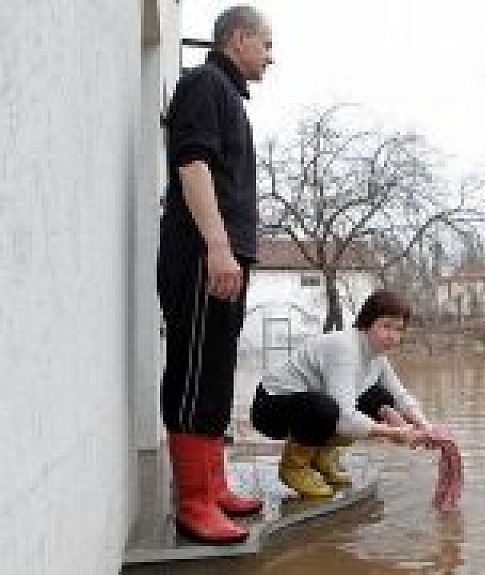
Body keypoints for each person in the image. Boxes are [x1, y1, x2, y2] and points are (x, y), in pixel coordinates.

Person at [156, 5, 273, 545]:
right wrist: (218, 247)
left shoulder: (229, 97)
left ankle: (215, 483)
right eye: (266, 45)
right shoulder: (203, 84)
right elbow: (192, 165)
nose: (271, 58)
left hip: (225, 257)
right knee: (194, 370)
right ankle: (193, 503)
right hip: (205, 253)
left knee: (218, 372)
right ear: (240, 38)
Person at [250, 289, 433, 498]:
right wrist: (395, 432)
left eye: (399, 329)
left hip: (307, 407)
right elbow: (345, 419)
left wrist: (425, 427)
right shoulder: (344, 348)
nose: (393, 336)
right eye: (386, 326)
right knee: (326, 409)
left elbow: (400, 396)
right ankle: (294, 468)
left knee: (381, 398)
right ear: (367, 323)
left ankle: (321, 456)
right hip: (270, 410)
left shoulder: (376, 355)